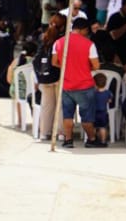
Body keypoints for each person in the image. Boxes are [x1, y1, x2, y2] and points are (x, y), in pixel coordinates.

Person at [53, 16, 104, 148]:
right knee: (86, 116)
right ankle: (91, 139)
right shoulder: (89, 44)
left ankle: (68, 140)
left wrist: (67, 67)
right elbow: (97, 66)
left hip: (66, 85)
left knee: (68, 115)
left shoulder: (58, 42)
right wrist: (85, 67)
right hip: (84, 85)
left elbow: (54, 62)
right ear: (84, 30)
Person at [33, 14, 66, 142]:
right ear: (63, 26)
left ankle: (44, 132)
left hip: (44, 77)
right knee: (60, 105)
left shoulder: (43, 38)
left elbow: (36, 58)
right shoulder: (63, 39)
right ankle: (61, 133)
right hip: (58, 76)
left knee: (46, 105)